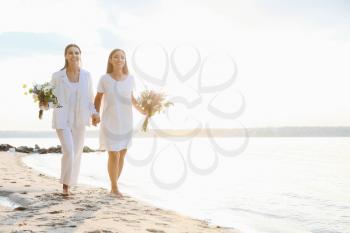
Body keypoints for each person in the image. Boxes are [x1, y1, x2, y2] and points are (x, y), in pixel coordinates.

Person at [48, 44, 100, 196]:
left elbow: (89, 99)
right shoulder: (57, 76)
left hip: (80, 119)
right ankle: (65, 186)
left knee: (76, 153)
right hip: (62, 118)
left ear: (80, 55)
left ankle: (69, 182)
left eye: (76, 53)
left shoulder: (86, 75)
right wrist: (44, 104)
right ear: (65, 56)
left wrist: (95, 114)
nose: (73, 55)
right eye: (70, 53)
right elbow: (51, 98)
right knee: (69, 151)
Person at [94, 48, 145, 198]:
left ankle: (114, 185)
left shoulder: (130, 79)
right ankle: (114, 188)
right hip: (110, 121)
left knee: (122, 153)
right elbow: (97, 98)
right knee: (114, 154)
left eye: (122, 57)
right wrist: (95, 114)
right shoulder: (104, 79)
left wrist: (143, 110)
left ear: (125, 61)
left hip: (125, 121)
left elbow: (132, 98)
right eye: (116, 57)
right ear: (111, 60)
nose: (119, 59)